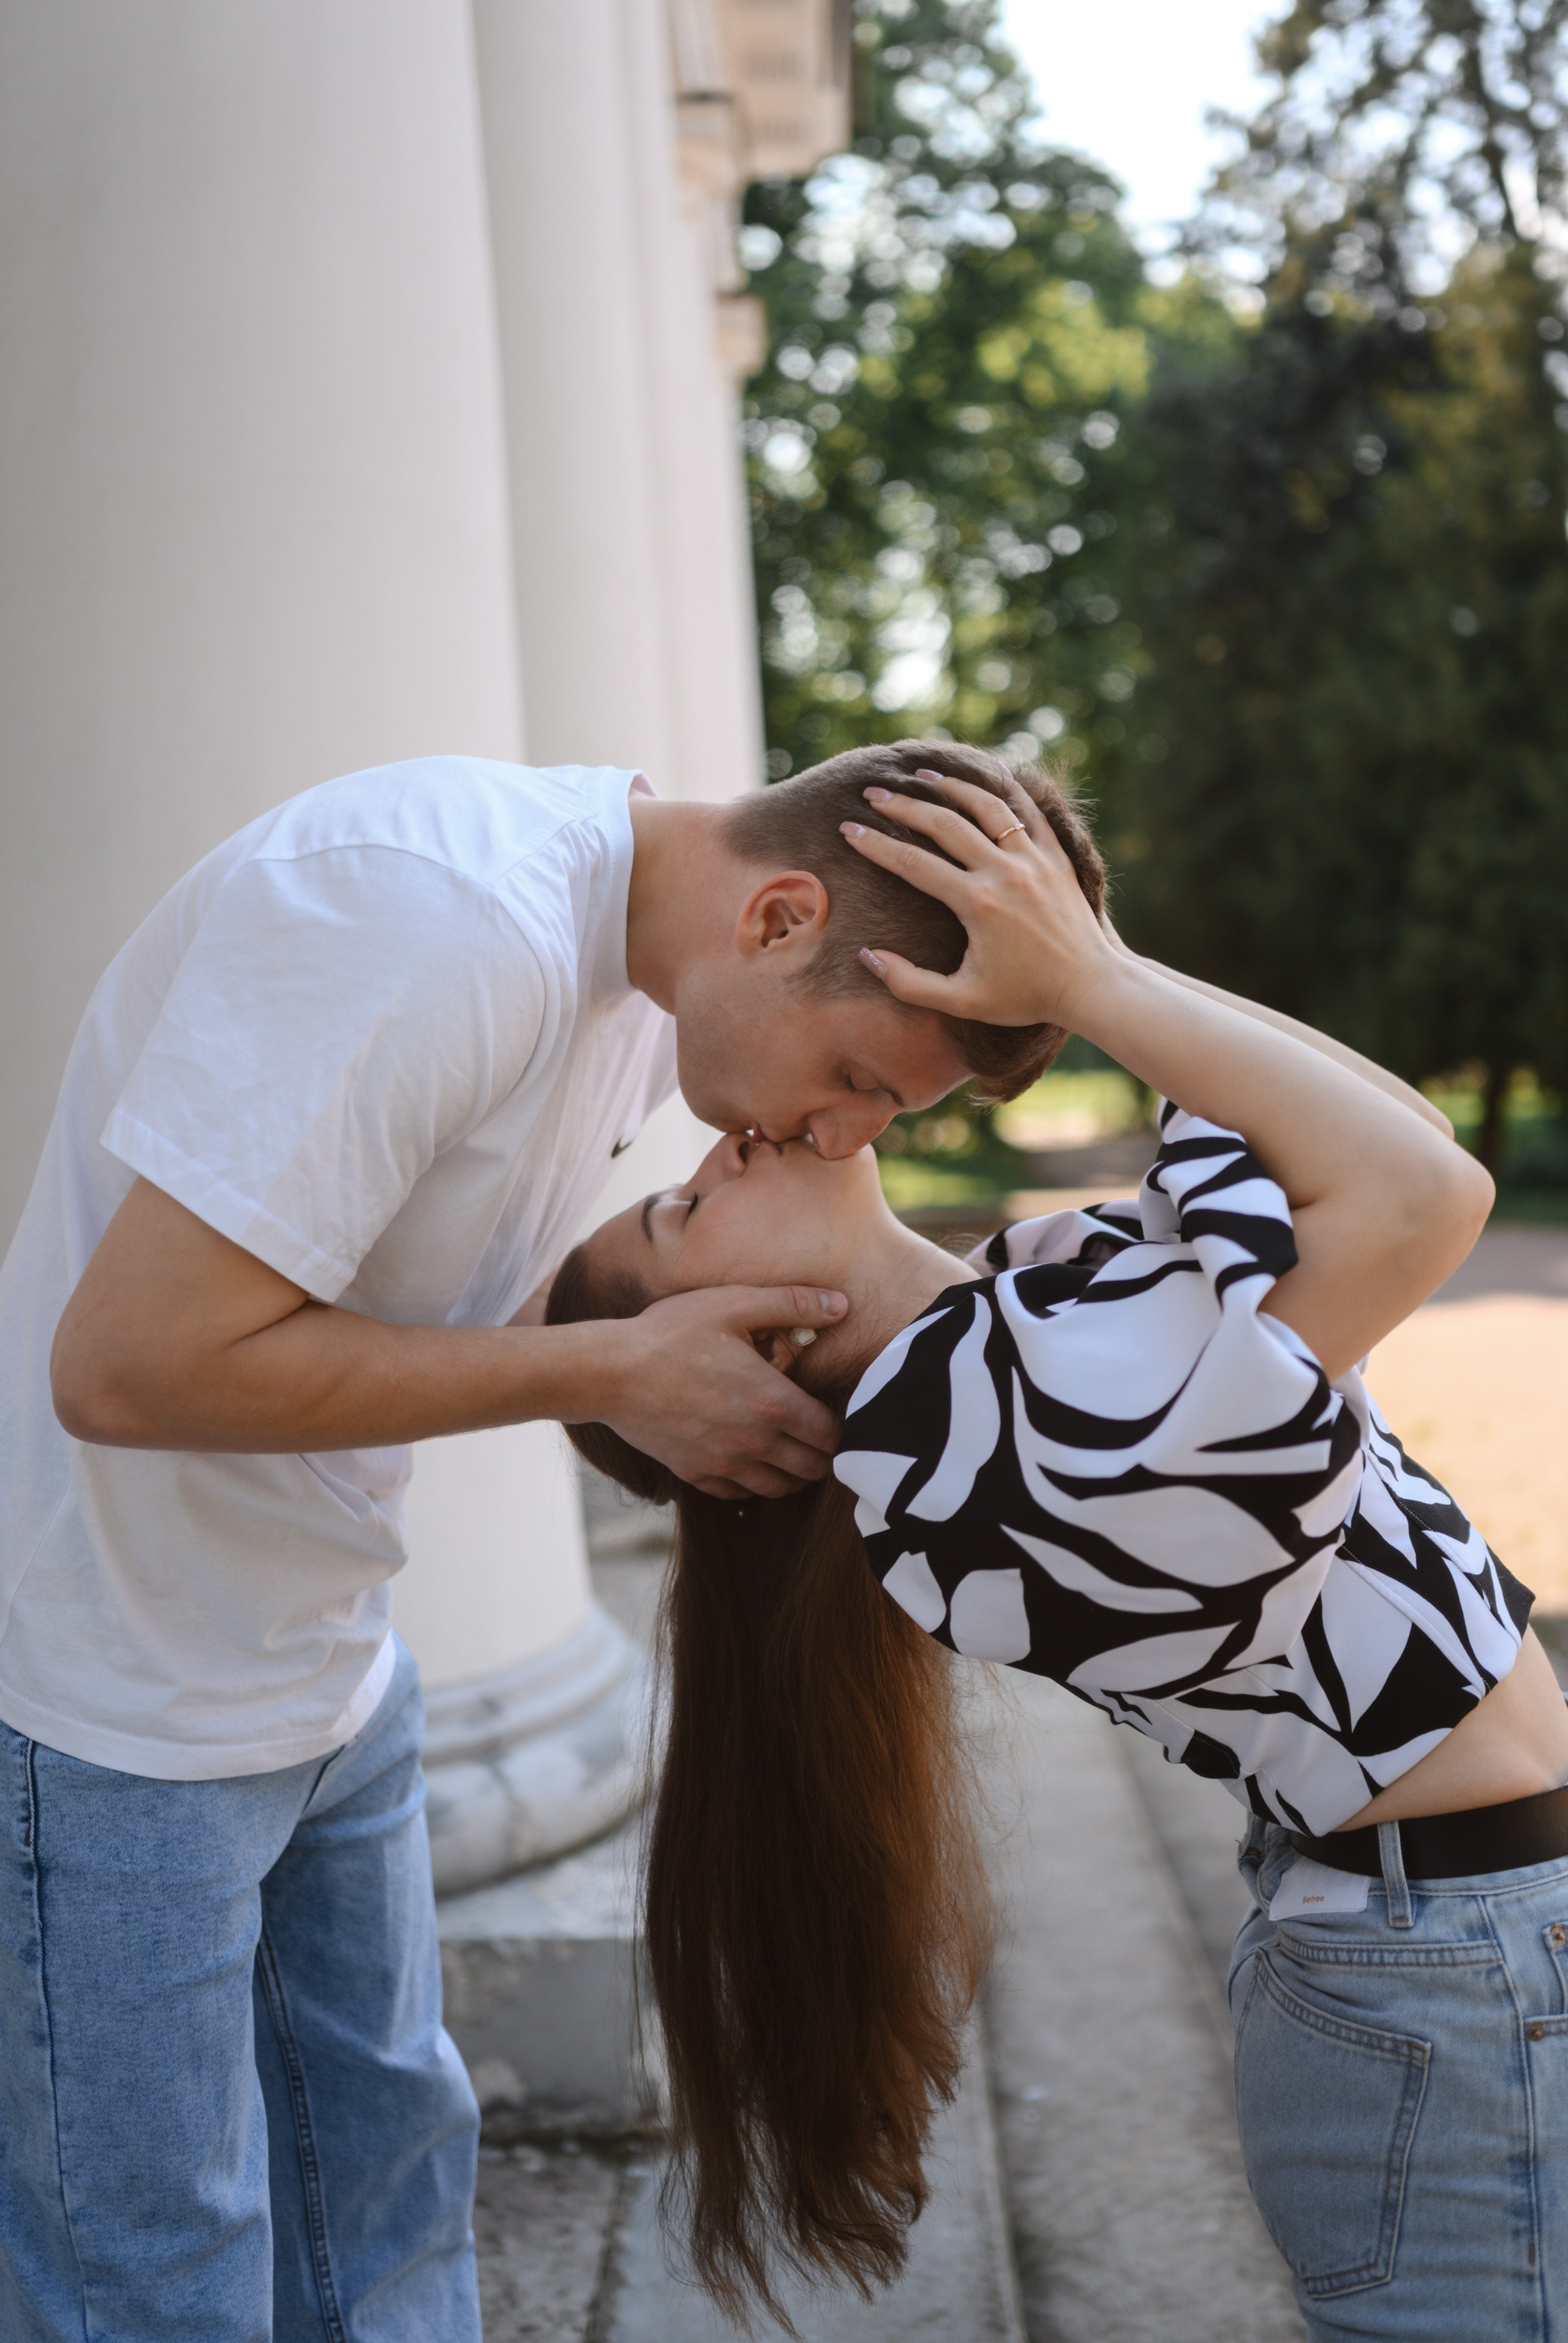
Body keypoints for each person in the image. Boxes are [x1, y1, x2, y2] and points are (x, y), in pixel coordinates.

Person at [0, 741, 1091, 2341]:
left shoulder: (637, 963)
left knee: (388, 2220)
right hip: (116, 1703)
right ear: (783, 918)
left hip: (330, 1672)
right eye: (864, 1078)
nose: (845, 1135)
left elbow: (366, 1277)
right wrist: (603, 1369)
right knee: (155, 2277)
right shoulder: (431, 922)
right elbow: (122, 1368)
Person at [548, 765, 1568, 2339]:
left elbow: (1379, 1135)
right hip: (1448, 1964)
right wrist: (1093, 984)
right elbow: (1419, 1190)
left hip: (1456, 1940)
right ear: (732, 1360)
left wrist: (1083, 955)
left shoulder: (1013, 1329)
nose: (718, 1156)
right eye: (679, 1219)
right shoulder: (985, 1459)